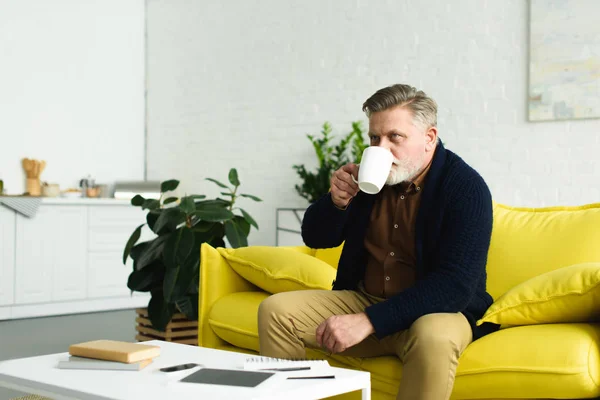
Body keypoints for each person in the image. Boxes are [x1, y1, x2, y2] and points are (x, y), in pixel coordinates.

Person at [258, 83, 499, 400]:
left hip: (433, 313)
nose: (381, 148)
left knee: (434, 339)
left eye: (394, 137)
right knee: (275, 312)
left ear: (429, 138)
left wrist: (369, 322)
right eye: (374, 138)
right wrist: (336, 202)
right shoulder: (368, 180)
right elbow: (315, 237)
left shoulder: (466, 188)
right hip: (364, 299)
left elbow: (454, 286)